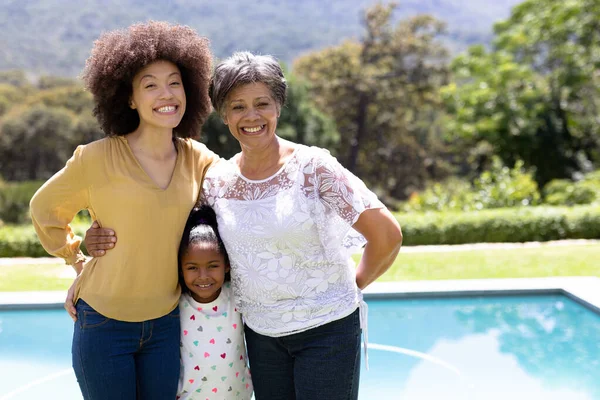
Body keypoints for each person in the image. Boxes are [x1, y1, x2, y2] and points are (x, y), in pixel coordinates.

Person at [85, 51, 403, 400]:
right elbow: (165, 230)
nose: (251, 116)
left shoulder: (314, 168)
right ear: (223, 114)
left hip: (326, 332)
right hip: (260, 336)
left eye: (262, 103)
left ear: (278, 107)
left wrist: (352, 286)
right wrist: (94, 254)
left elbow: (386, 235)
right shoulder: (218, 182)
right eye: (237, 106)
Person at [29, 21, 218, 400]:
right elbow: (44, 209)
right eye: (150, 84)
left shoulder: (199, 159)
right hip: (103, 325)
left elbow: (240, 193)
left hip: (165, 325)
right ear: (129, 98)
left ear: (191, 89)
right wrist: (77, 259)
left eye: (175, 82)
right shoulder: (95, 158)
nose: (166, 94)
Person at [176, 205, 252, 400]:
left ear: (227, 265)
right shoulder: (175, 303)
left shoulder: (236, 295)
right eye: (192, 267)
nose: (203, 276)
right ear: (181, 269)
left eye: (213, 266)